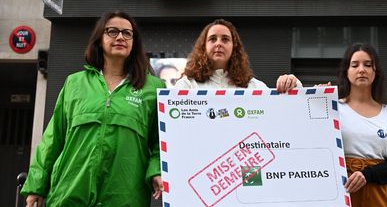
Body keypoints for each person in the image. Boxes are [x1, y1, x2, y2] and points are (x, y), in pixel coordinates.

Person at [21, 11, 165, 207]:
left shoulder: (153, 88)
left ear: (134, 42)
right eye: (112, 31)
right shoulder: (75, 83)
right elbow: (53, 138)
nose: (121, 37)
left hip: (125, 196)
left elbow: (161, 141)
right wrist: (36, 186)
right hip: (70, 193)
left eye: (127, 33)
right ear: (99, 39)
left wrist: (156, 169)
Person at [337, 43, 387, 207]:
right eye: (354, 65)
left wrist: (368, 175)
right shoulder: (333, 108)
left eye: (368, 65)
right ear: (346, 72)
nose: (361, 69)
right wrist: (292, 82)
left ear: (375, 72)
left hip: (379, 193)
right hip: (342, 190)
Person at [175, 18, 301, 90]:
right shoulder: (187, 85)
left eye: (225, 39)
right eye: (212, 39)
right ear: (203, 46)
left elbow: (283, 109)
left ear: (234, 47)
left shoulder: (253, 86)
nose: (218, 44)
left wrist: (292, 84)